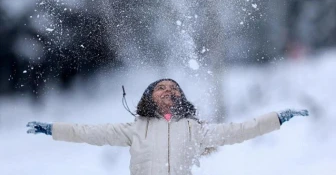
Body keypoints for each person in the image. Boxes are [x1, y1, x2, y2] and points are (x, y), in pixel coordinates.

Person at [26, 78, 309, 175]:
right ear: (149, 97)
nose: (168, 91)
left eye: (174, 88)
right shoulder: (135, 128)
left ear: (181, 97)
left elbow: (240, 130)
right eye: (160, 87)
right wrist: (53, 129)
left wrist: (277, 118)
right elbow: (87, 132)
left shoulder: (195, 129)